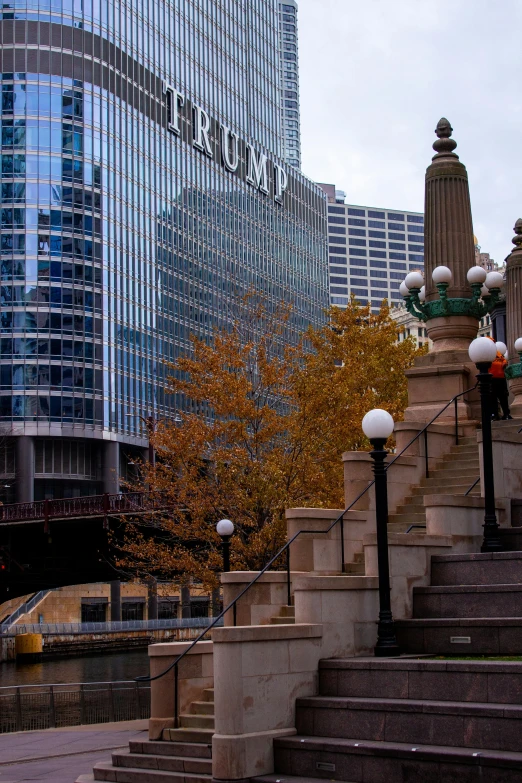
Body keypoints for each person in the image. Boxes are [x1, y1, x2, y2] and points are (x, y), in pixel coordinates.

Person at [488, 340, 512, 420]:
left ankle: (506, 414)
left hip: (501, 378)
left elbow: (504, 359)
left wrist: (504, 363)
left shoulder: (498, 353)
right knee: (492, 398)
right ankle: (494, 415)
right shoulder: (486, 352)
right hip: (491, 378)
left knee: (503, 397)